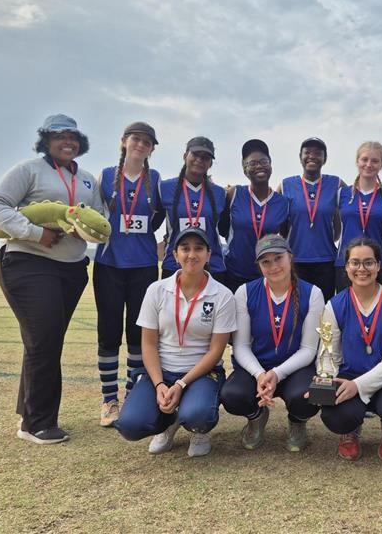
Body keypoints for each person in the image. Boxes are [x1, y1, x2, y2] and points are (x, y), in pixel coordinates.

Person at [0, 114, 103, 444]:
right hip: (28, 263)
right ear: (46, 140)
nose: (68, 141)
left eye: (73, 136)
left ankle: (28, 416)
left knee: (44, 342)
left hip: (72, 268)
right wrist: (35, 233)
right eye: (59, 135)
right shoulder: (29, 170)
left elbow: (97, 222)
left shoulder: (89, 180)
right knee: (44, 340)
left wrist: (87, 231)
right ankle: (39, 423)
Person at [113, 227, 236, 457]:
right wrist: (160, 384)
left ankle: (198, 428)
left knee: (198, 415)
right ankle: (167, 423)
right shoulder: (157, 290)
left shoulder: (222, 295)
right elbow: (148, 345)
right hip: (161, 371)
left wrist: (180, 385)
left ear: (209, 254)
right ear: (175, 254)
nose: (192, 255)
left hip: (200, 373)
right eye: (185, 248)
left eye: (199, 248)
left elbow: (216, 350)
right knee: (130, 425)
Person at [314, 238, 382, 461]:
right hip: (349, 374)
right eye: (355, 263)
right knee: (335, 415)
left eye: (368, 263)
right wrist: (324, 384)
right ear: (346, 267)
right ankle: (349, 430)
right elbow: (327, 353)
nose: (361, 269)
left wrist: (358, 386)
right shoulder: (332, 305)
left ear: (379, 265)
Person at [220, 235, 324, 451]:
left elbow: (308, 349)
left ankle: (297, 421)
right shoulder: (245, 292)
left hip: (295, 368)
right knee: (232, 396)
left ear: (290, 258)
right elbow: (241, 346)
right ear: (258, 265)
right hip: (256, 369)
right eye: (265, 261)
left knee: (306, 398)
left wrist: (277, 374)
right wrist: (260, 375)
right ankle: (256, 417)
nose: (273, 266)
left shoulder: (313, 293)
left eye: (278, 258)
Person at [93, 122, 164, 427]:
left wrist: (162, 244)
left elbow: (164, 216)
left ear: (151, 149)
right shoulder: (106, 176)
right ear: (124, 141)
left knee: (139, 334)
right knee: (109, 334)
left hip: (144, 267)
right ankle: (109, 400)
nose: (141, 145)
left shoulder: (156, 180)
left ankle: (134, 393)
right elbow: (93, 215)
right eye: (136, 139)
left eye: (147, 142)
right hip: (109, 265)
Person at [278, 138, 342, 301]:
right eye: (307, 152)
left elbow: (358, 196)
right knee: (296, 308)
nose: (312, 156)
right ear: (300, 157)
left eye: (317, 153)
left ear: (325, 159)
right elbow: (278, 220)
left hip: (326, 260)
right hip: (295, 260)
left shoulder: (335, 183)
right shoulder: (286, 185)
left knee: (324, 310)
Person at [221, 140, 289, 292]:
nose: (259, 166)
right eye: (252, 163)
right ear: (245, 170)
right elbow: (222, 228)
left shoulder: (283, 203)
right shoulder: (234, 194)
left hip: (267, 276)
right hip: (234, 274)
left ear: (271, 166)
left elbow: (284, 237)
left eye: (264, 161)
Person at [159, 137, 227, 283]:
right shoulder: (165, 188)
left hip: (213, 266)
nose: (199, 160)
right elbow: (153, 224)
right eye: (195, 155)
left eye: (205, 157)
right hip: (174, 266)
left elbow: (225, 230)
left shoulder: (220, 193)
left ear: (210, 163)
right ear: (185, 156)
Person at [335, 142, 382, 292]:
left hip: (378, 264)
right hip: (346, 263)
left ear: (381, 164)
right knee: (346, 310)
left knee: (379, 312)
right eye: (364, 159)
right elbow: (336, 229)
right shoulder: (341, 194)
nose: (369, 164)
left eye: (375, 161)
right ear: (357, 161)